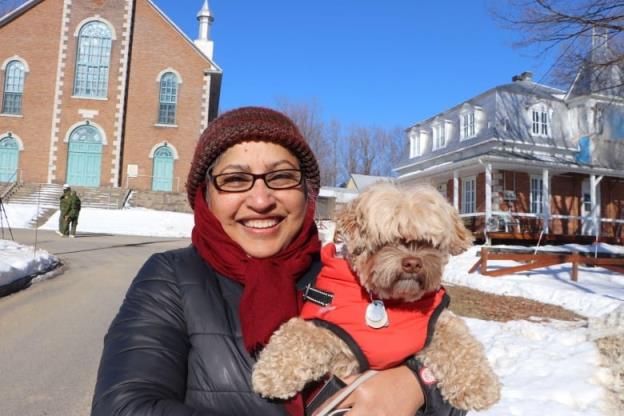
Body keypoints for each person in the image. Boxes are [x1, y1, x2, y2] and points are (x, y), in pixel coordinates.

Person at [91, 107, 467, 416]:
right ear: (205, 196)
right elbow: (124, 405)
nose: (260, 200)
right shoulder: (171, 278)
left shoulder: (353, 273)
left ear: (307, 192)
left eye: (281, 177)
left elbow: (452, 368)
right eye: (236, 179)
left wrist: (418, 387)